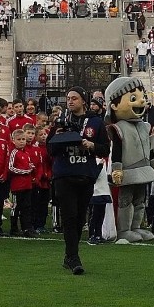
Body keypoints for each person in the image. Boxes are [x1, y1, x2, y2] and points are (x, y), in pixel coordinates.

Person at [47, 86, 109, 275]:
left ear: (83, 100)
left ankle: (69, 256)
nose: (70, 101)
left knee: (81, 218)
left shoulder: (96, 122)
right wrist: (57, 138)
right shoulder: (59, 121)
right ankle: (73, 257)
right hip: (64, 174)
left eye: (74, 98)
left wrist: (92, 145)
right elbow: (49, 150)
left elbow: (105, 149)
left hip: (85, 174)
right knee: (70, 216)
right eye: (68, 98)